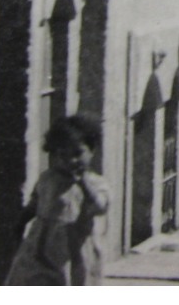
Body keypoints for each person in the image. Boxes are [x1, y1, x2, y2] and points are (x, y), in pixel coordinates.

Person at [6, 114, 110, 285]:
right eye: (62, 154)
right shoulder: (47, 178)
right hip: (40, 246)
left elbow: (100, 206)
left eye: (78, 153)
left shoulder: (96, 183)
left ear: (92, 150)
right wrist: (21, 222)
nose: (71, 160)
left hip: (73, 250)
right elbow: (35, 203)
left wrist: (83, 183)